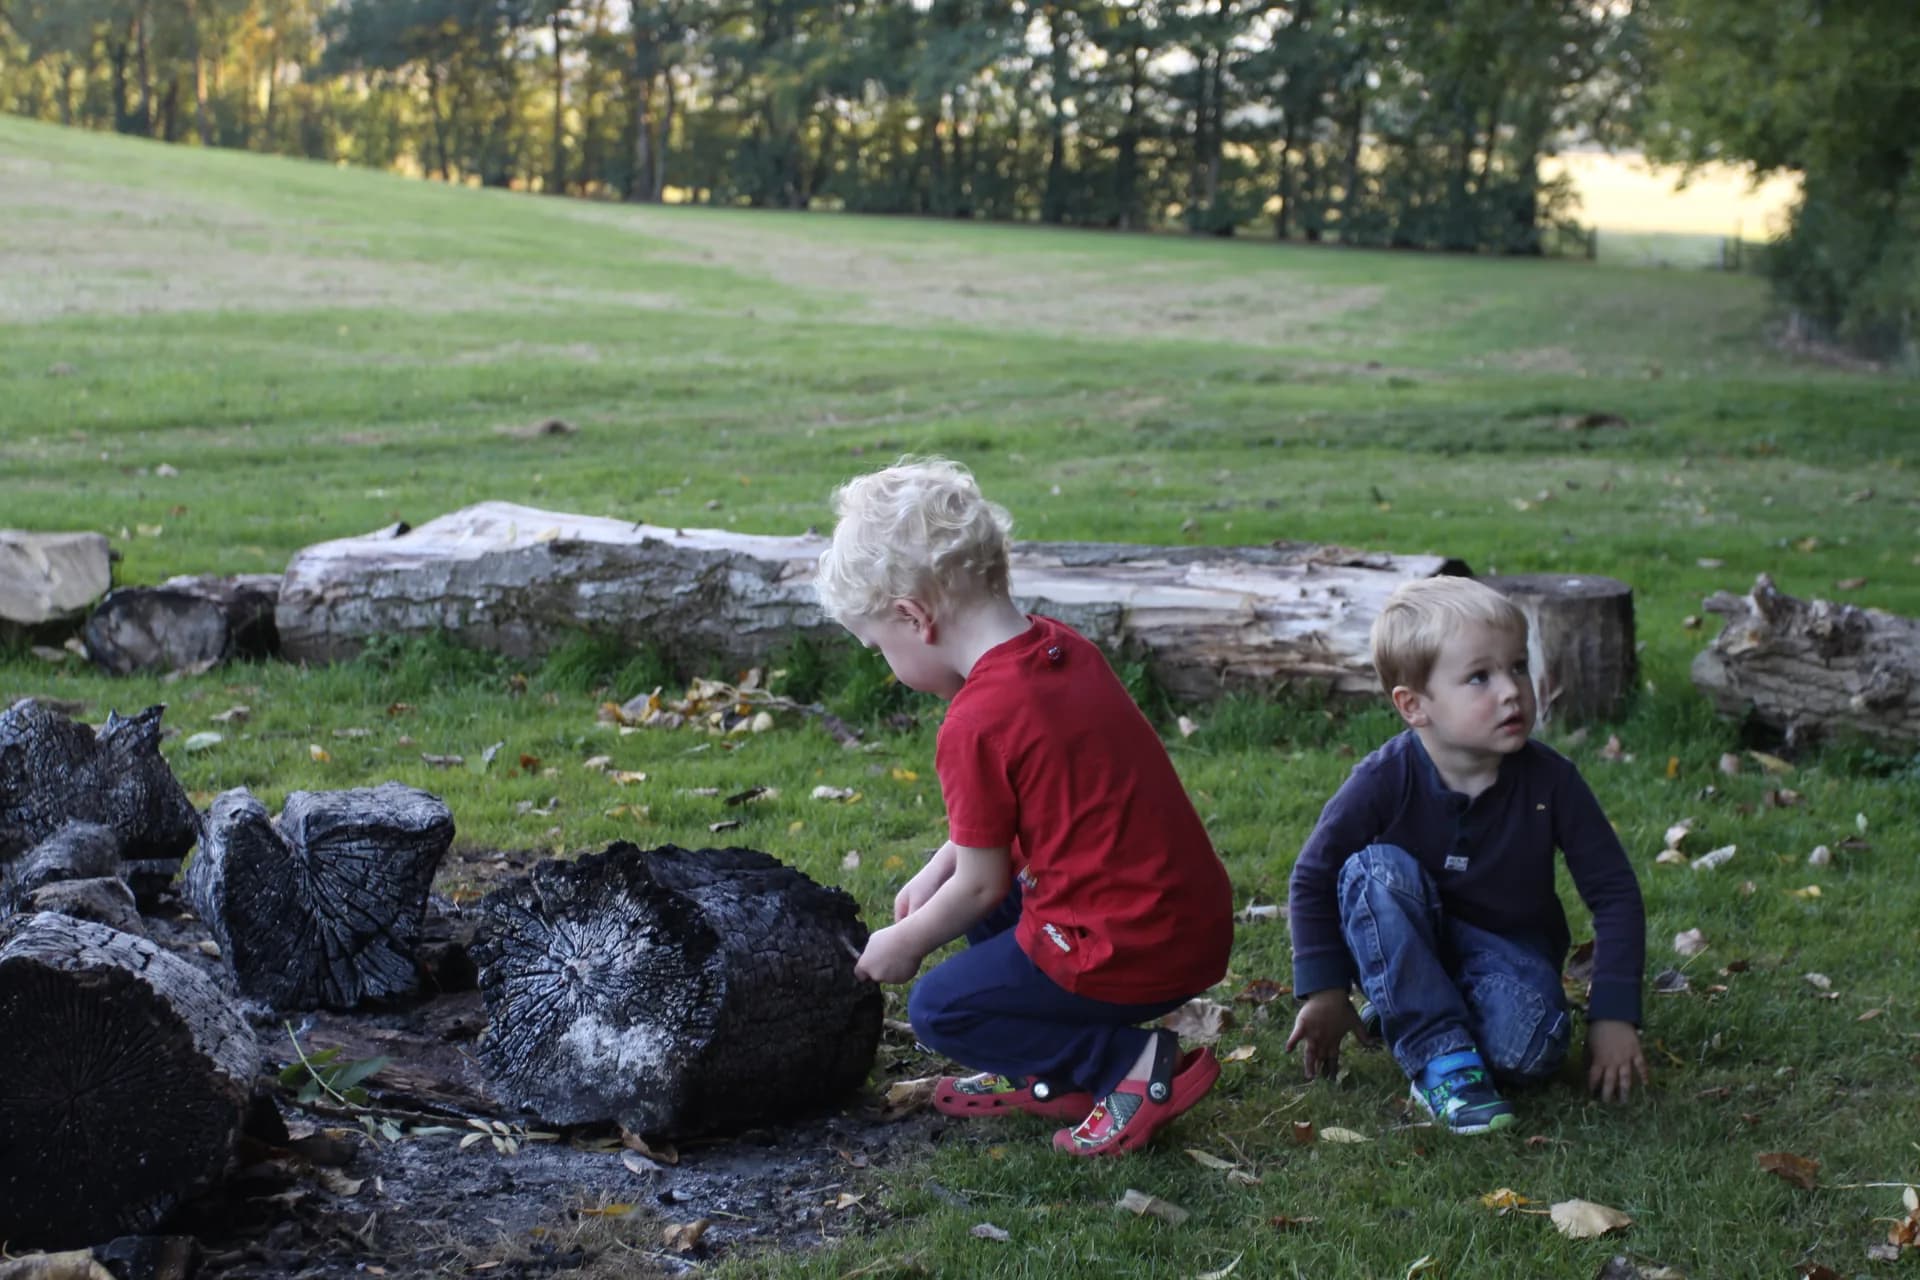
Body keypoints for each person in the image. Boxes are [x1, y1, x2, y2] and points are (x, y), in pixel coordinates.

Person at [813, 457, 1233, 1157]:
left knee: (942, 1008)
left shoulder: (975, 721)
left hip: (1129, 948)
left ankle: (1121, 1068)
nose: (886, 668)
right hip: (1182, 921)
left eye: (878, 648)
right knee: (994, 911)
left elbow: (981, 886)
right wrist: (935, 866)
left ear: (913, 618)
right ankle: (1060, 1071)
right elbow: (1008, 815)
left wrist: (905, 945)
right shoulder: (1061, 650)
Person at [1284, 576, 1648, 1133]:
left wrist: (1614, 1017)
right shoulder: (1386, 779)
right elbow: (1314, 876)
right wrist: (1326, 989)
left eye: (1518, 667)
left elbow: (1615, 894)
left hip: (1509, 956)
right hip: (1410, 932)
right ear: (1414, 706)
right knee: (1371, 871)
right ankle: (1438, 1055)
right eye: (1480, 677)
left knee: (1527, 1051)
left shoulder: (1552, 782)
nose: (1510, 691)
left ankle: (1407, 1008)